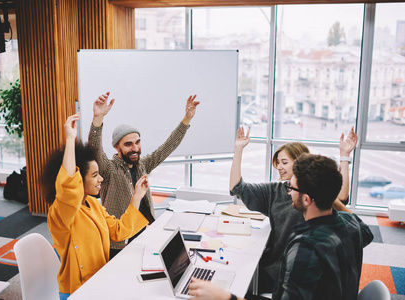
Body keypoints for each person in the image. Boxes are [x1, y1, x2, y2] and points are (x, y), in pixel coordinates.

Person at [188, 154, 373, 300]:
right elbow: (368, 233)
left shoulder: (305, 248)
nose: (289, 191)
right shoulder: (351, 223)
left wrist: (225, 298)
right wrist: (326, 192)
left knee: (224, 290)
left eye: (291, 188)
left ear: (307, 199)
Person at [228, 126, 357, 293]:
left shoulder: (312, 197)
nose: (279, 167)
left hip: (284, 271)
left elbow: (340, 197)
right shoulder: (276, 189)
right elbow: (238, 187)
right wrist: (238, 149)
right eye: (278, 163)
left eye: (284, 162)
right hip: (274, 262)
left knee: (235, 284)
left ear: (300, 163)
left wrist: (344, 157)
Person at [41, 113, 149, 299]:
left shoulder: (92, 203)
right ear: (78, 180)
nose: (101, 179)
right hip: (78, 290)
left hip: (99, 280)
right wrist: (69, 139)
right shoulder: (62, 212)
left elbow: (118, 231)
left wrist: (137, 196)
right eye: (94, 175)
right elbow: (67, 187)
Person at [88, 92, 200, 258]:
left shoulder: (142, 164)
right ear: (117, 147)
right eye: (128, 144)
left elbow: (168, 146)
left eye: (137, 142)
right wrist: (98, 119)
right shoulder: (109, 169)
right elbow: (95, 149)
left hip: (141, 232)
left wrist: (187, 119)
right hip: (118, 242)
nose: (135, 148)